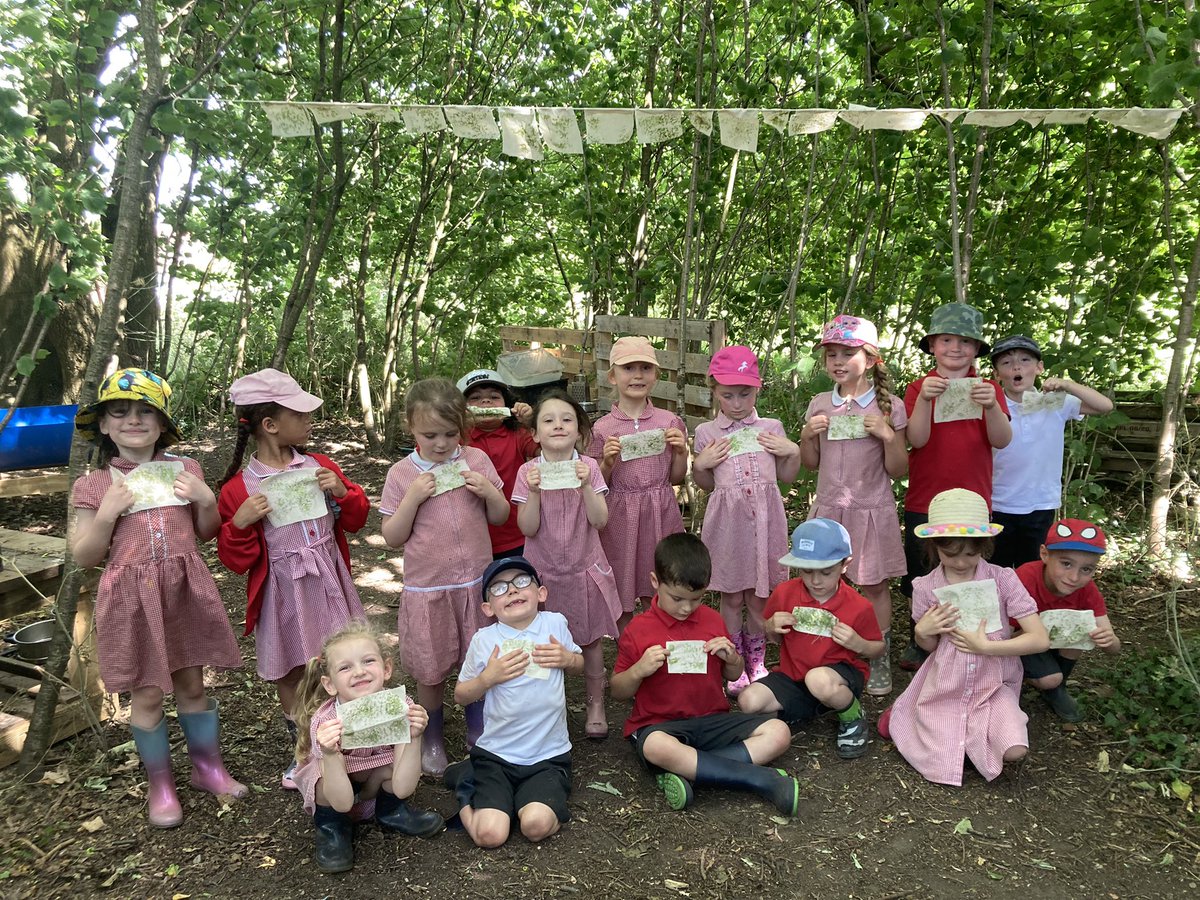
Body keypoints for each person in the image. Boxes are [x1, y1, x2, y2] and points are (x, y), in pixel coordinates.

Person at [72, 368, 245, 828]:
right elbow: (85, 555)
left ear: (162, 424)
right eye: (120, 411)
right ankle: (161, 785)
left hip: (182, 590)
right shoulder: (92, 484)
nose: (134, 420)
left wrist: (206, 500)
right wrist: (107, 514)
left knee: (192, 684)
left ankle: (208, 769)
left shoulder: (185, 469)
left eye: (146, 412)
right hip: (132, 598)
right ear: (104, 425)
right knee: (147, 694)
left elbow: (205, 533)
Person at [217, 368, 369, 791]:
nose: (310, 422)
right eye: (301, 415)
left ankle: (355, 743)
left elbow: (356, 519)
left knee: (345, 657)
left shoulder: (319, 466)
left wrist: (343, 492)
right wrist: (240, 524)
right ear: (270, 425)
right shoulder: (237, 489)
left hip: (329, 579)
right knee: (292, 672)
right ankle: (305, 752)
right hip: (283, 591)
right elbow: (235, 560)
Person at [611, 533, 799, 815]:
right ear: (654, 582)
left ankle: (690, 770)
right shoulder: (638, 629)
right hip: (661, 725)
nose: (686, 608)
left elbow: (733, 675)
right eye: (677, 598)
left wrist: (733, 657)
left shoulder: (712, 620)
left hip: (712, 720)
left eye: (696, 599)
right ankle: (761, 780)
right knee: (655, 747)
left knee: (779, 732)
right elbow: (617, 690)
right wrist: (639, 670)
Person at [379, 378, 509, 776]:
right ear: (410, 428)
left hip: (475, 585)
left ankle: (479, 726)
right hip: (429, 589)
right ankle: (432, 737)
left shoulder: (477, 461)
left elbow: (500, 517)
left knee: (479, 658)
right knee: (431, 668)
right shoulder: (402, 474)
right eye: (429, 435)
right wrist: (413, 497)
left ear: (464, 427)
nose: (441, 444)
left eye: (451, 434)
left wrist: (489, 492)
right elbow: (390, 537)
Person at [879, 490, 1049, 786]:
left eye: (971, 553)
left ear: (985, 546)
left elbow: (1039, 638)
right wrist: (922, 632)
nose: (960, 563)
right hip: (947, 681)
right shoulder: (925, 587)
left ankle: (952, 727)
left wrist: (988, 647)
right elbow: (929, 647)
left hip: (994, 682)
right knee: (938, 749)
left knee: (1015, 750)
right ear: (934, 547)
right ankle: (906, 716)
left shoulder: (1003, 579)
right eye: (950, 554)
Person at [800, 315, 908, 695]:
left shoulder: (889, 405)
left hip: (871, 510)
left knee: (875, 586)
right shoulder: (818, 402)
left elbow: (898, 469)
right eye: (831, 354)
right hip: (830, 510)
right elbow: (810, 463)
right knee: (827, 585)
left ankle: (877, 657)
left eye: (848, 352)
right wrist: (807, 436)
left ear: (871, 357)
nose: (838, 361)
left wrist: (887, 434)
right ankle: (829, 650)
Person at [900, 303, 1011, 669]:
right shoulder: (918, 388)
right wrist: (926, 401)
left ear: (977, 349)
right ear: (932, 345)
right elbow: (916, 439)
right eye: (946, 339)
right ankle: (922, 636)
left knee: (970, 566)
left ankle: (974, 633)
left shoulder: (989, 388)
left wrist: (992, 406)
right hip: (926, 497)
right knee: (924, 570)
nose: (956, 347)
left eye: (966, 341)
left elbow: (1002, 440)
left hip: (974, 501)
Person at [444, 557, 584, 847]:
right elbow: (460, 695)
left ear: (540, 593)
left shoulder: (555, 624)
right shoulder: (485, 640)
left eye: (521, 582)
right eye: (498, 588)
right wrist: (487, 679)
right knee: (490, 836)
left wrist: (568, 659)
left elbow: (579, 663)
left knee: (535, 826)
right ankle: (468, 787)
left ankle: (520, 800)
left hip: (547, 756)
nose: (511, 590)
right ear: (488, 608)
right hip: (498, 755)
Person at [292, 621, 444, 873]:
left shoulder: (401, 706)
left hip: (375, 779)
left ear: (386, 669)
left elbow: (404, 786)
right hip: (340, 788)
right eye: (345, 667)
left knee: (396, 764)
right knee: (319, 778)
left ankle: (391, 811)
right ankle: (333, 828)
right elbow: (340, 801)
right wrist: (329, 753)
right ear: (330, 685)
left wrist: (416, 737)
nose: (359, 672)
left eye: (368, 661)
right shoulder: (326, 721)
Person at [512, 390, 621, 739]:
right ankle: (546, 705)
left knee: (589, 641)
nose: (558, 425)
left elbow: (600, 520)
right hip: (542, 573)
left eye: (567, 419)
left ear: (579, 432)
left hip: (583, 568)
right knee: (542, 640)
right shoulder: (528, 472)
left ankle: (595, 703)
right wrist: (533, 492)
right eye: (548, 420)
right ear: (535, 434)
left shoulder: (588, 466)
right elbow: (527, 528)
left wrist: (587, 484)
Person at [692, 346, 801, 696]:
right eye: (728, 395)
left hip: (765, 520)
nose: (737, 403)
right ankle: (733, 662)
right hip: (729, 522)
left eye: (745, 393)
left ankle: (757, 661)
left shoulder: (771, 427)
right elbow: (706, 485)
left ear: (758, 389)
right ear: (714, 391)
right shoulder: (707, 432)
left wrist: (792, 451)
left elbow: (786, 475)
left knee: (758, 597)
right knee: (732, 596)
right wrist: (701, 463)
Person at [738, 519, 884, 759]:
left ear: (844, 565)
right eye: (807, 571)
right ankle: (810, 708)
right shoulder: (785, 593)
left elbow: (877, 649)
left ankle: (852, 716)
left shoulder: (858, 606)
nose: (816, 581)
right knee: (748, 701)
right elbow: (771, 634)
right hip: (793, 676)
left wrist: (858, 644)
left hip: (839, 676)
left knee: (818, 680)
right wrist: (771, 626)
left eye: (826, 572)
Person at [587, 336, 688, 632]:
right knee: (623, 577)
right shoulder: (602, 428)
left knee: (662, 573)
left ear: (656, 375)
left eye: (645, 367)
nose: (638, 375)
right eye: (628, 368)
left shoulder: (669, 421)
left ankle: (663, 637)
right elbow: (597, 484)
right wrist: (605, 463)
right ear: (612, 376)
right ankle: (628, 645)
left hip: (660, 510)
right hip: (620, 515)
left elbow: (676, 477)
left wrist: (681, 451)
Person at [989, 336, 1114, 569]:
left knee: (1034, 569)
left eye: (1025, 360)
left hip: (1041, 503)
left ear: (1039, 368)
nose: (1016, 367)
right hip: (998, 503)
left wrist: (1066, 384)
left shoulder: (1054, 402)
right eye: (1006, 363)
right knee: (998, 572)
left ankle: (1031, 607)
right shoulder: (991, 404)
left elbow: (1104, 406)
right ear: (997, 374)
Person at [1016, 519, 1121, 722]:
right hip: (1019, 641)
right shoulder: (1024, 578)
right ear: (1045, 554)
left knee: (1082, 628)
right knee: (1049, 679)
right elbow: (1001, 633)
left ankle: (1058, 688)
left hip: (1054, 642)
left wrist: (1108, 640)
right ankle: (1021, 677)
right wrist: (1035, 631)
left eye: (1086, 569)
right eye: (1066, 564)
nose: (1074, 577)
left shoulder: (1087, 591)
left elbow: (1114, 647)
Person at [457, 369, 537, 559]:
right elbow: (426, 450)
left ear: (508, 404)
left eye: (494, 397)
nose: (486, 402)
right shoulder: (455, 439)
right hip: (471, 537)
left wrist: (533, 421)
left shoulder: (519, 434)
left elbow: (551, 452)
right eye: (475, 398)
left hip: (515, 534)